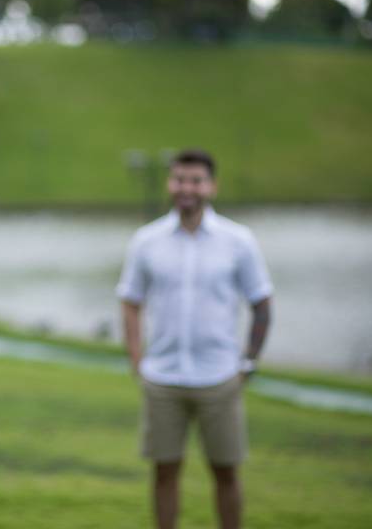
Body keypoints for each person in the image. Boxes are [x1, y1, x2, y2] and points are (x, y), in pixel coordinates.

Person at [117, 148, 273, 529]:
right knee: (164, 473)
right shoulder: (146, 240)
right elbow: (130, 302)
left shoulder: (239, 241)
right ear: (170, 183)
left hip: (219, 378)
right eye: (179, 179)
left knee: (226, 474)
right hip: (163, 379)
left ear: (211, 186)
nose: (187, 188)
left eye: (196, 180)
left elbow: (262, 304)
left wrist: (248, 363)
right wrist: (137, 360)